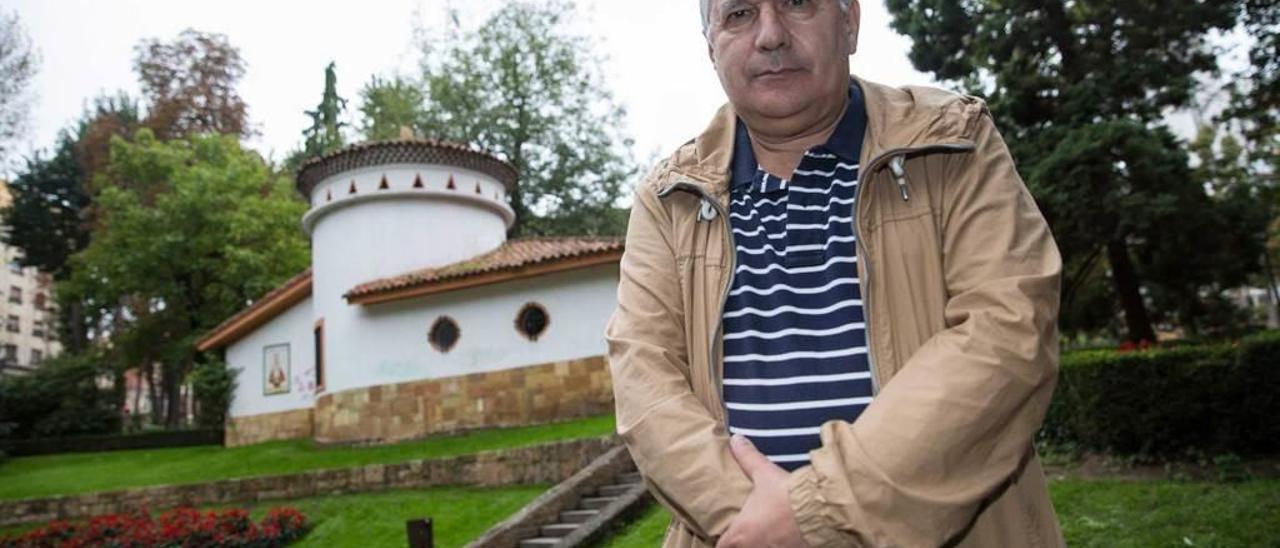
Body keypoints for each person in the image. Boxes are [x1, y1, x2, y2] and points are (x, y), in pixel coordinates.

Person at [604, 0, 1065, 546]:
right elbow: (644, 379)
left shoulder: (952, 139)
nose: (770, 35)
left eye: (798, 4)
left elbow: (1008, 331)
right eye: (740, 14)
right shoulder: (667, 199)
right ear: (710, 46)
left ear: (850, 21)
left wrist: (816, 514)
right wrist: (756, 526)